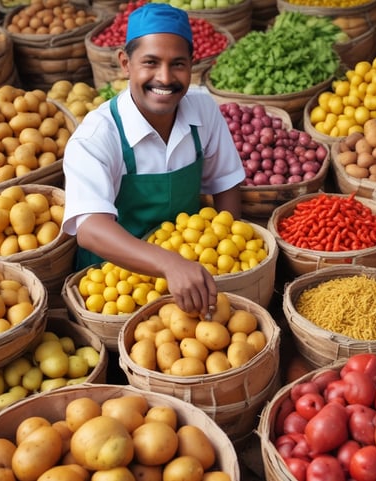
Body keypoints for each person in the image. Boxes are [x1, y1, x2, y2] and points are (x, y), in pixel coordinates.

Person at [62, 3, 246, 317]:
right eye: (150, 63)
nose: (164, 77)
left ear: (191, 65)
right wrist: (169, 264)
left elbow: (226, 182)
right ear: (125, 63)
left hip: (191, 265)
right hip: (117, 283)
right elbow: (90, 228)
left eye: (178, 64)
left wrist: (228, 248)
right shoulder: (98, 135)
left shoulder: (202, 109)